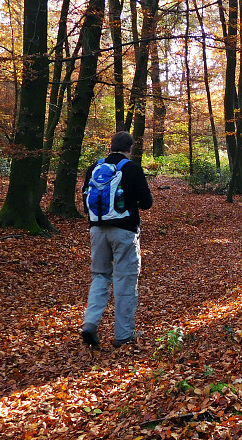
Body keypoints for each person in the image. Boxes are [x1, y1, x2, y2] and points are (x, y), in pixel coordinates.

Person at [80, 131, 153, 349]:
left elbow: (86, 202)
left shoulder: (94, 168)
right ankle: (123, 334)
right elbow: (147, 203)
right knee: (125, 280)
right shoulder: (132, 168)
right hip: (124, 232)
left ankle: (90, 323)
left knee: (100, 276)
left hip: (97, 230)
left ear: (110, 146)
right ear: (130, 148)